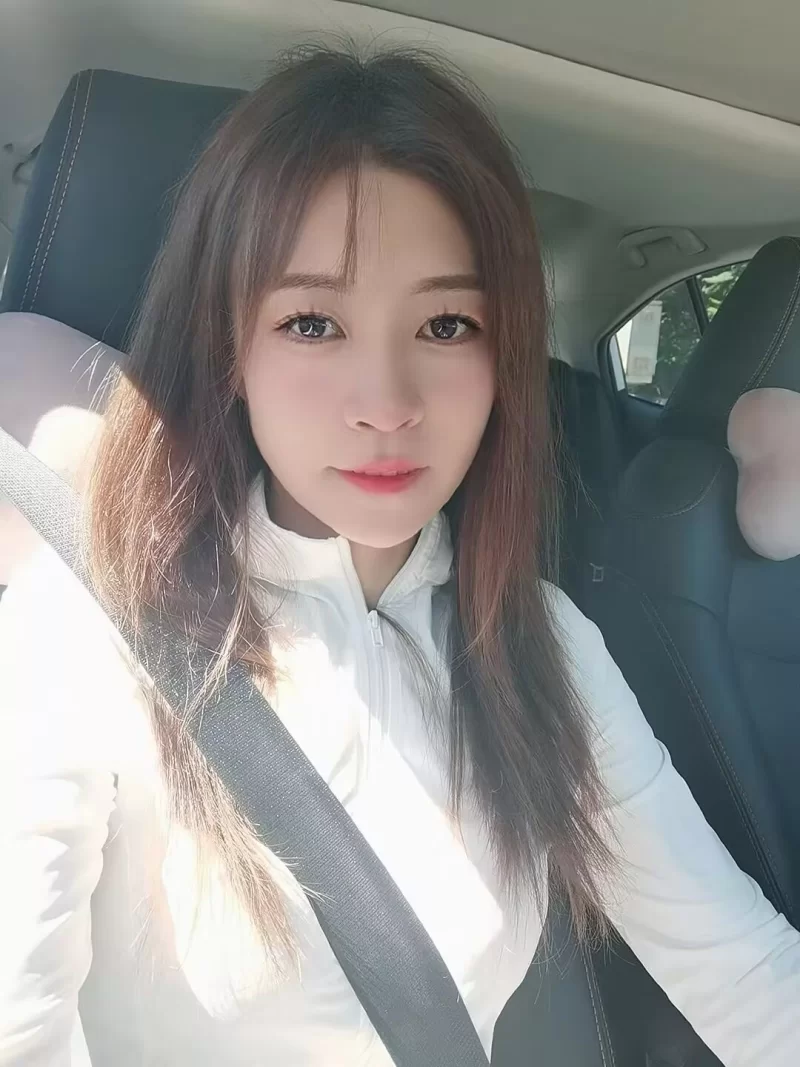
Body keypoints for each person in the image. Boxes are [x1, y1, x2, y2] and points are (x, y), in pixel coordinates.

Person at [0, 44, 798, 1067]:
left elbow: (741, 971)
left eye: (446, 323)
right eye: (311, 322)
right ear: (230, 348)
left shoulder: (545, 643)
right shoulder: (83, 627)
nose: (385, 401)